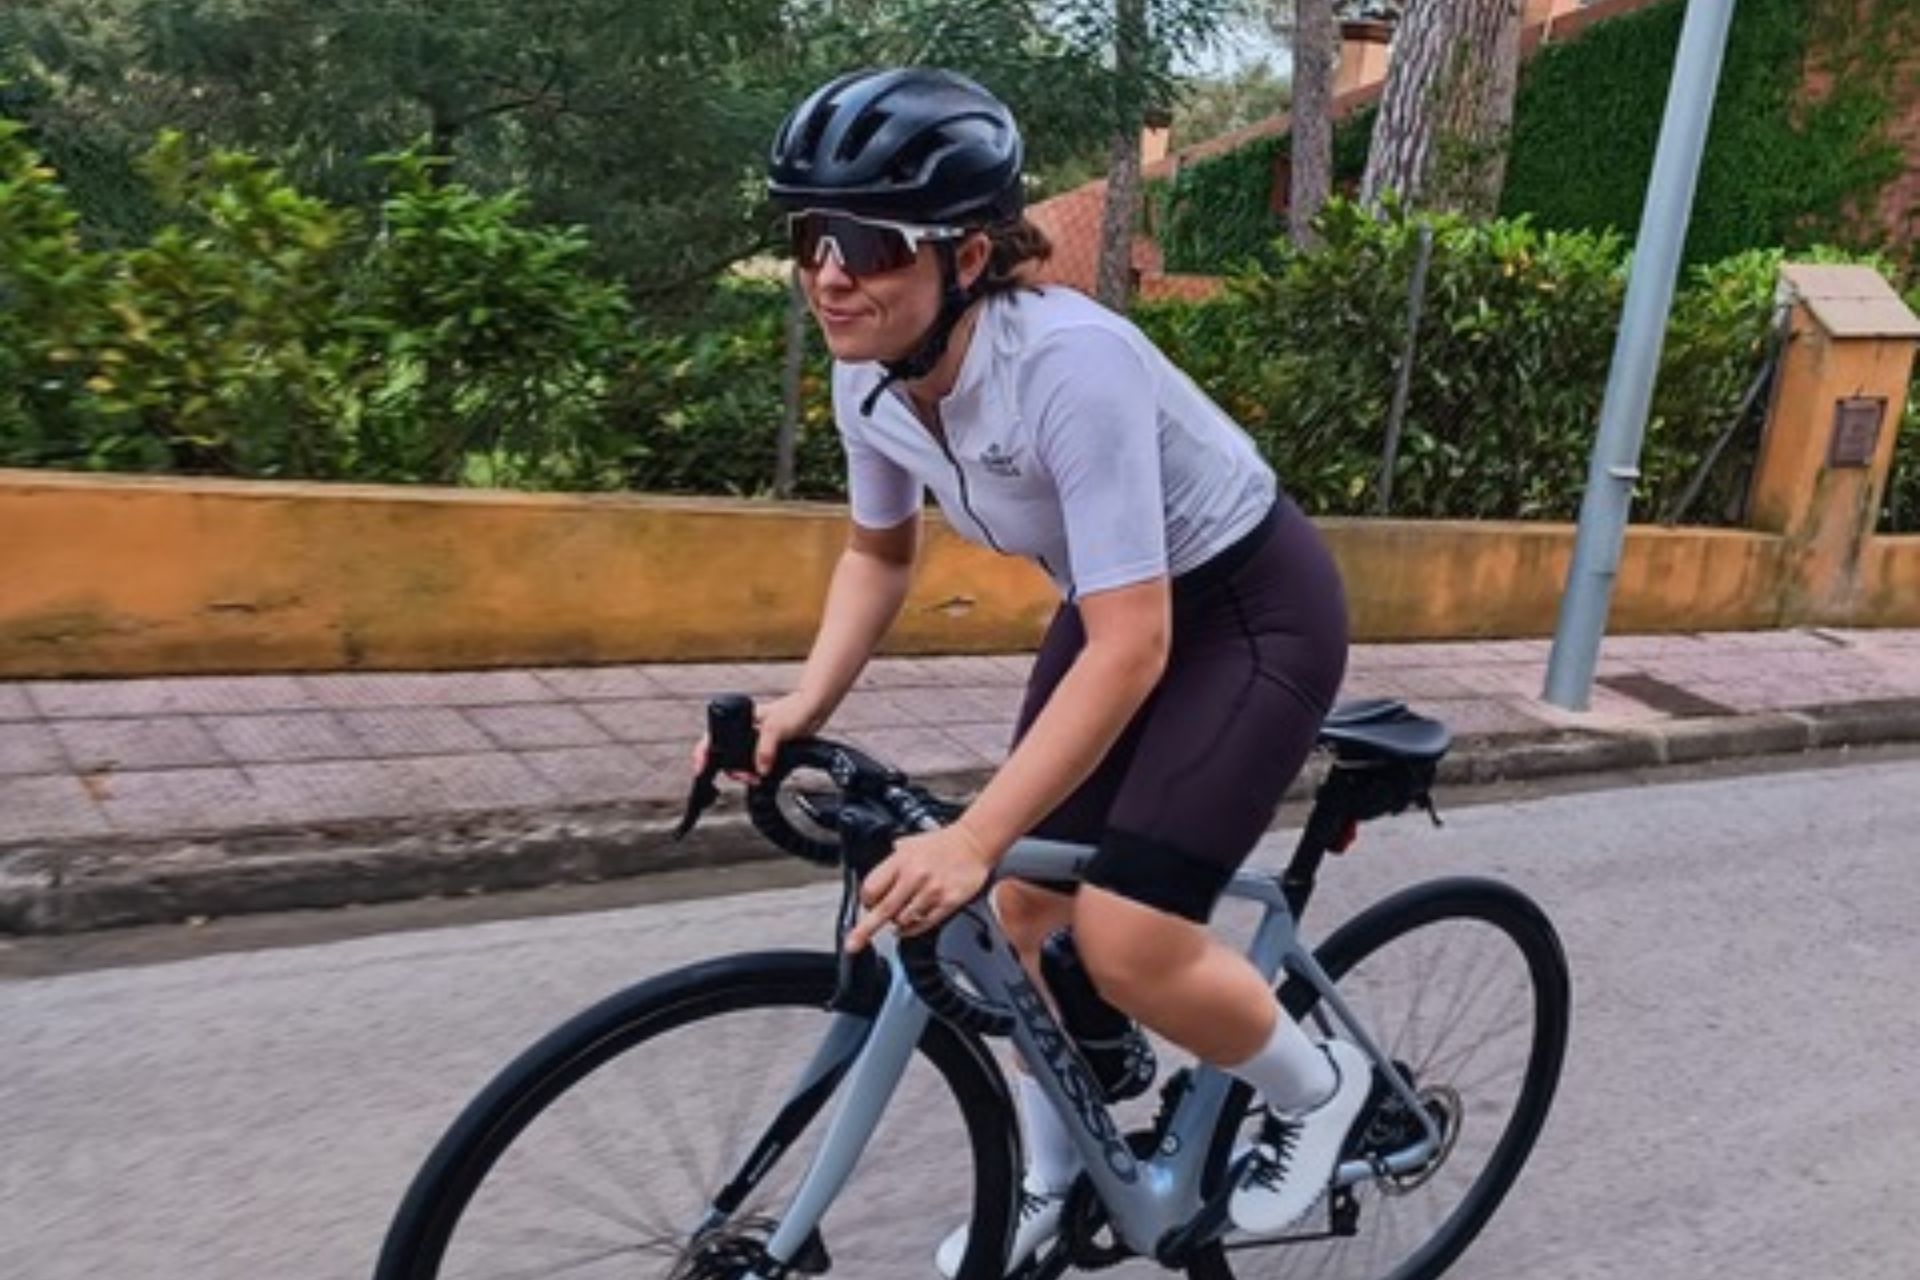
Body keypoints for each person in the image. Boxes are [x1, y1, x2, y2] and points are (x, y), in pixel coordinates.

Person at [750, 66, 1368, 1273]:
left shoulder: (1070, 367)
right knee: (1018, 920)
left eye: (872, 241)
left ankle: (1317, 1085)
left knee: (1131, 942)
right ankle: (1049, 1180)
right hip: (1119, 601)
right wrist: (802, 704)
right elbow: (879, 555)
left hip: (1252, 611)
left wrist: (974, 831)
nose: (832, 270)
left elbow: (1137, 644)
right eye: (813, 235)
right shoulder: (867, 373)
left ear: (968, 258)